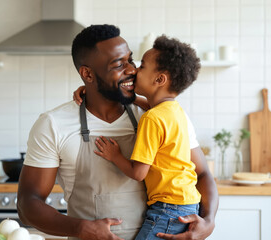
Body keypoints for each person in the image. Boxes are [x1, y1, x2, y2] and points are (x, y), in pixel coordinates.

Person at [17, 24, 218, 240]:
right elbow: (28, 205)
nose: (132, 70)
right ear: (88, 74)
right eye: (118, 65)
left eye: (131, 60)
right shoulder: (53, 124)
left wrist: (208, 221)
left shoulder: (161, 116)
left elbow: (202, 174)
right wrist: (79, 228)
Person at [94, 35, 202, 239]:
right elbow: (152, 106)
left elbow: (138, 173)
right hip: (186, 203)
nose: (135, 70)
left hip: (168, 208)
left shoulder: (152, 118)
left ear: (159, 79)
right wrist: (130, 97)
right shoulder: (174, 110)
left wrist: (114, 155)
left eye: (142, 66)